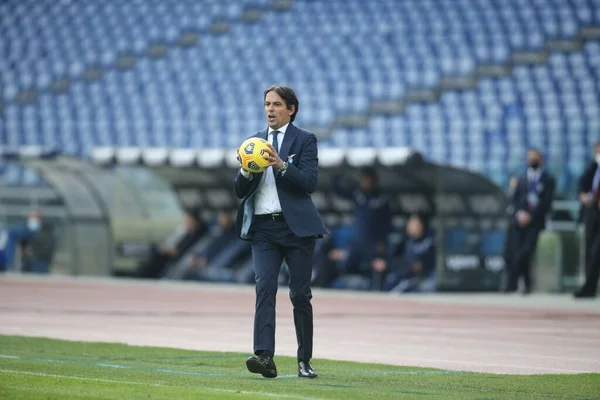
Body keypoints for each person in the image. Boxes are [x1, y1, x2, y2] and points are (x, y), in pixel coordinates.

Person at [234, 85, 328, 379]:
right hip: (263, 229)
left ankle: (304, 360)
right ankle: (264, 357)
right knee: (264, 288)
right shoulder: (253, 142)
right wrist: (247, 170)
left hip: (296, 229)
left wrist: (282, 165)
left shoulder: (305, 140)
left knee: (300, 295)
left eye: (276, 104)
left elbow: (310, 182)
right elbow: (239, 191)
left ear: (291, 109)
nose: (270, 109)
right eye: (266, 104)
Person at [330, 167, 392, 290]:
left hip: (374, 244)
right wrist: (336, 176)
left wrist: (382, 241)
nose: (365, 182)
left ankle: (375, 293)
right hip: (358, 242)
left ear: (374, 181)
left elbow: (387, 224)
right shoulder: (358, 195)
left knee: (375, 268)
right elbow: (338, 191)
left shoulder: (381, 199)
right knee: (345, 263)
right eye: (363, 180)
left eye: (368, 180)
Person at [504, 149, 556, 294]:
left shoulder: (548, 179)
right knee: (513, 251)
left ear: (541, 160)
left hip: (535, 223)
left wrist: (531, 216)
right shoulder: (521, 179)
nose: (532, 160)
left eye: (535, 158)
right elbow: (515, 200)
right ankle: (518, 284)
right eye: (530, 158)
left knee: (525, 252)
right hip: (519, 221)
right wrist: (519, 214)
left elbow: (546, 203)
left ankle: (525, 283)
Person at [136, 209, 206, 279]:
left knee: (158, 256)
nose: (186, 223)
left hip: (177, 258)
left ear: (195, 222)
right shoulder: (187, 234)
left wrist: (168, 250)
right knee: (155, 252)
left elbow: (179, 252)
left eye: (189, 220)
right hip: (171, 254)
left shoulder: (196, 237)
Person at [377, 214, 436, 292]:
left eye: (416, 224)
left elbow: (419, 266)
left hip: (420, 279)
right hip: (401, 275)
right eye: (410, 223)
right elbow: (395, 258)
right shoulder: (405, 240)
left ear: (422, 225)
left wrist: (392, 264)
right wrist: (386, 264)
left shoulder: (428, 242)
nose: (412, 227)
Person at [574, 141, 600, 298]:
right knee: (590, 250)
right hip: (592, 213)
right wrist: (583, 195)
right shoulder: (593, 167)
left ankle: (589, 286)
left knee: (597, 251)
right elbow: (582, 183)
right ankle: (589, 287)